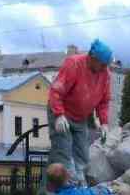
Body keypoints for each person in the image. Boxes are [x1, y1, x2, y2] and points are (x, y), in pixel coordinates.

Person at [48, 39, 113, 186]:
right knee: (64, 153)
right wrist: (58, 115)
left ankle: (79, 184)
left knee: (82, 155)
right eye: (102, 64)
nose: (104, 68)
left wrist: (104, 123)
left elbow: (104, 101)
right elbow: (56, 91)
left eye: (106, 65)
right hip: (62, 113)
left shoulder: (105, 74)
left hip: (80, 117)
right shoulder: (74, 64)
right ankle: (70, 189)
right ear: (92, 57)